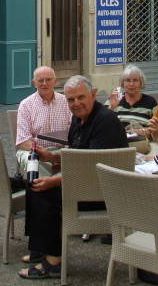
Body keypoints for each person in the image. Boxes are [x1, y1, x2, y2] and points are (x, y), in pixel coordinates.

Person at [18, 75, 128, 280]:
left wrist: (54, 180)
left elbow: (90, 167)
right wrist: (51, 156)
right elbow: (78, 154)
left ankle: (52, 263)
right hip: (88, 186)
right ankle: (40, 249)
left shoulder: (105, 121)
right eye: (70, 100)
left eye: (80, 97)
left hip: (107, 193)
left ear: (93, 95)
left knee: (46, 194)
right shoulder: (78, 119)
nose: (76, 104)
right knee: (33, 187)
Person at [14, 66, 71, 178]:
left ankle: (68, 192)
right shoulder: (26, 105)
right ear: (34, 83)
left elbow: (75, 132)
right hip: (33, 149)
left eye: (48, 80)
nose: (44, 83)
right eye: (40, 80)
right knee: (34, 161)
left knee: (79, 157)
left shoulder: (67, 102)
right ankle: (43, 192)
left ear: (55, 81)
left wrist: (55, 155)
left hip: (62, 149)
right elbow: (23, 141)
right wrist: (43, 152)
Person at [108, 64, 157, 129]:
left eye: (135, 80)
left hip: (142, 139)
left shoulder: (151, 102)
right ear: (123, 83)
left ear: (141, 83)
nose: (131, 84)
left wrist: (147, 131)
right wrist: (111, 108)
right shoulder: (113, 100)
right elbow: (100, 125)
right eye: (128, 80)